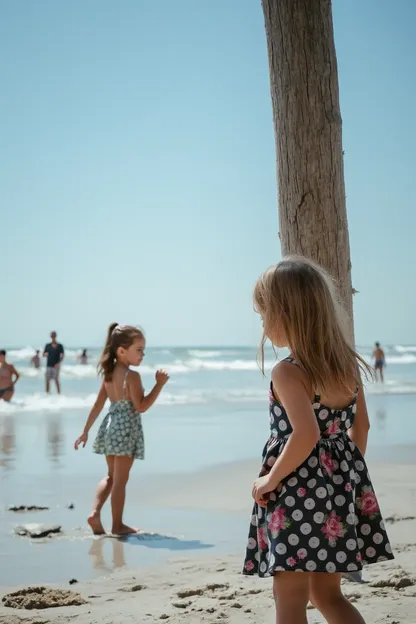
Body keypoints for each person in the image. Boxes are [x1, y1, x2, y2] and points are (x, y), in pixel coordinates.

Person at [243, 257, 394, 624]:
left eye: (264, 314)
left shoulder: (288, 371)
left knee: (289, 598)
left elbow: (305, 434)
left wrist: (271, 478)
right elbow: (362, 429)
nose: (263, 324)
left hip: (295, 495)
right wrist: (345, 480)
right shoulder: (346, 366)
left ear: (284, 312)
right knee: (329, 595)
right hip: (339, 495)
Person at [74, 323, 169, 536]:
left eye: (143, 350)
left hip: (109, 427)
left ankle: (94, 512)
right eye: (139, 350)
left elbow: (98, 405)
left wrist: (85, 430)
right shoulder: (131, 376)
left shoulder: (108, 374)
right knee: (120, 481)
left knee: (110, 476)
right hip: (126, 429)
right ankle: (117, 525)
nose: (142, 354)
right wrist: (159, 385)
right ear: (122, 351)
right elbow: (141, 406)